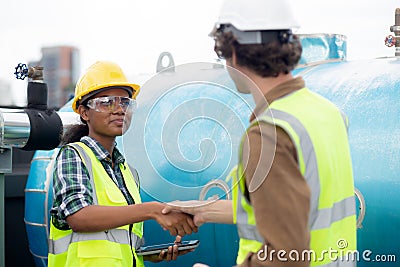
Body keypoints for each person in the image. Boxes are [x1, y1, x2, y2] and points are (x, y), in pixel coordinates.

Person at [164, 0, 357, 266]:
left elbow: (287, 255)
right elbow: (292, 209)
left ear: (232, 51)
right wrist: (202, 211)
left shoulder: (270, 133)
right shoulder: (328, 113)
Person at [48, 61, 197, 267]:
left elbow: (117, 241)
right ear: (84, 113)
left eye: (125, 103)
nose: (119, 110)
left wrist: (146, 255)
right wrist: (152, 209)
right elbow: (79, 216)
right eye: (107, 102)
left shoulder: (128, 172)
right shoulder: (73, 156)